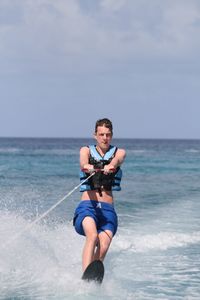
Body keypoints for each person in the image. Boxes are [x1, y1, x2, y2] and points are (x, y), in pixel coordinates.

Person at [73, 118, 126, 272]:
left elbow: (118, 159)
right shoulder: (86, 150)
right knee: (92, 235)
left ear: (112, 135)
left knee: (103, 246)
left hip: (108, 211)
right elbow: (83, 162)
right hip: (88, 207)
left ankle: (92, 275)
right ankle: (84, 275)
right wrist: (88, 166)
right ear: (95, 135)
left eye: (108, 135)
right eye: (101, 134)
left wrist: (112, 165)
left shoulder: (119, 152)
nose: (104, 138)